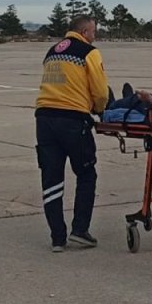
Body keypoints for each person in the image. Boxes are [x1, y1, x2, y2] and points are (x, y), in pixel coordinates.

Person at [35, 16, 110, 252]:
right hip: (73, 119)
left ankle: (58, 238)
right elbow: (99, 91)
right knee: (86, 173)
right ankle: (80, 230)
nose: (95, 35)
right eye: (94, 31)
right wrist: (100, 109)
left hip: (44, 118)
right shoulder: (89, 52)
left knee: (52, 178)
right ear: (85, 31)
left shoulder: (52, 51)